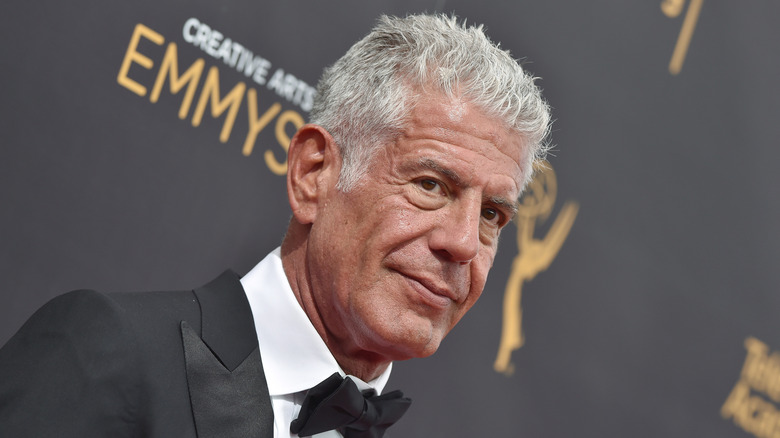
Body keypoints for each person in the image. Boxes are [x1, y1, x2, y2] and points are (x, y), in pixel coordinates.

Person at [0, 13, 551, 438]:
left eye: (490, 215)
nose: (461, 243)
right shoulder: (109, 353)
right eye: (431, 185)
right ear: (314, 174)